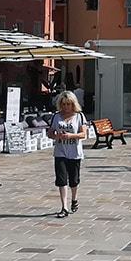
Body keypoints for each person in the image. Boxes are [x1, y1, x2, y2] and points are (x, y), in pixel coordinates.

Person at [48, 90, 88, 218]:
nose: (66, 107)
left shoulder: (79, 116)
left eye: (68, 104)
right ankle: (64, 207)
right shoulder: (56, 116)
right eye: (64, 104)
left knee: (74, 180)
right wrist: (56, 136)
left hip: (74, 152)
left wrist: (71, 135)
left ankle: (74, 199)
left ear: (73, 104)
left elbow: (83, 134)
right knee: (61, 179)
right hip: (60, 151)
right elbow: (50, 133)